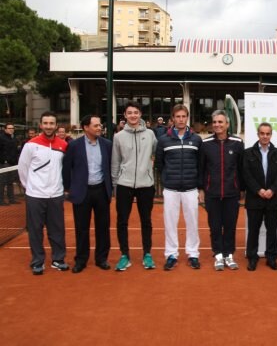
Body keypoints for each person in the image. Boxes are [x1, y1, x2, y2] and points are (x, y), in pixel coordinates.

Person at [18, 111, 69, 275]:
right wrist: (31, 188)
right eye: (45, 123)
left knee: (57, 230)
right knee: (35, 230)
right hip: (35, 196)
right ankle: (37, 261)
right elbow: (23, 169)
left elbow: (64, 169)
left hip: (56, 195)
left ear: (56, 125)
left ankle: (58, 259)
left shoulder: (63, 145)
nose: (48, 126)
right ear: (40, 125)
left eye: (51, 123)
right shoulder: (31, 145)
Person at [62, 115, 113, 273]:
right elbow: (66, 168)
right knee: (82, 228)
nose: (99, 128)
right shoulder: (74, 145)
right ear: (85, 127)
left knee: (103, 227)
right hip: (81, 192)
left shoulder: (107, 144)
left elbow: (110, 166)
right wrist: (69, 188)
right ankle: (81, 260)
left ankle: (101, 258)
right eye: (96, 125)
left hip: (101, 191)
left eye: (100, 125)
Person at [155, 104, 203, 271]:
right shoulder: (163, 140)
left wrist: (199, 187)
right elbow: (159, 164)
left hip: (191, 189)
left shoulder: (196, 139)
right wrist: (167, 179)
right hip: (171, 189)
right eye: (178, 116)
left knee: (192, 223)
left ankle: (193, 254)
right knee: (170, 223)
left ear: (187, 118)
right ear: (172, 119)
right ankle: (171, 254)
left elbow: (200, 164)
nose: (181, 119)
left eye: (184, 116)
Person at [111, 101, 158, 271]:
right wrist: (115, 184)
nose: (133, 115)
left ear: (140, 114)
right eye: (129, 112)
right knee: (122, 221)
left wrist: (149, 171)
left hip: (146, 184)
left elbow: (155, 153)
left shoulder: (151, 134)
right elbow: (115, 162)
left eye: (136, 112)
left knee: (146, 220)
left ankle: (147, 254)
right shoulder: (118, 137)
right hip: (124, 184)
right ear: (124, 115)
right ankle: (125, 255)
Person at [198, 110, 244, 271]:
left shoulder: (237, 143)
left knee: (230, 226)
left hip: (232, 193)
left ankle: (229, 255)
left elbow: (241, 168)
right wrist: (201, 189)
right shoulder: (205, 144)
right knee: (215, 226)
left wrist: (241, 189)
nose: (217, 125)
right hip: (212, 193)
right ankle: (218, 254)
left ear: (227, 124)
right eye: (215, 122)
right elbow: (201, 169)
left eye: (220, 122)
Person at [243, 122, 277, 271]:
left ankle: (271, 258)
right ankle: (252, 258)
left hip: (273, 199)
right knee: (253, 230)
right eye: (262, 133)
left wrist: (272, 190)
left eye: (268, 134)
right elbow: (246, 175)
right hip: (255, 199)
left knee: (272, 230)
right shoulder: (248, 153)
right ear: (258, 134)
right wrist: (258, 190)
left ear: (271, 135)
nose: (265, 136)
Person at [0, 123, 19, 205]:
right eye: (9, 128)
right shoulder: (1, 138)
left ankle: (11, 199)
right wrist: (3, 160)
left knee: (10, 182)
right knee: (2, 182)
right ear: (5, 129)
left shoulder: (14, 138)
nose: (11, 129)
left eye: (12, 128)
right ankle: (1, 200)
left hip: (13, 163)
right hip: (4, 163)